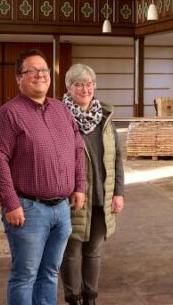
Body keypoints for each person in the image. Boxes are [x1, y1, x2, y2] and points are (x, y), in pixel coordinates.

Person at [0, 49, 87, 305]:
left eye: (44, 70)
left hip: (62, 208)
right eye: (33, 71)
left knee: (50, 273)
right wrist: (10, 203)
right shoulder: (8, 115)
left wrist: (79, 187)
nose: (40, 75)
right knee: (25, 275)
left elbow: (77, 150)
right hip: (28, 209)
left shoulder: (61, 110)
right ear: (19, 78)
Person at [59, 64, 125, 305]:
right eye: (79, 84)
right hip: (74, 196)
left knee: (94, 250)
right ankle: (73, 297)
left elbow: (117, 158)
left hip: (102, 195)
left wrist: (118, 192)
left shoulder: (105, 118)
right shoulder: (59, 116)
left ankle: (90, 297)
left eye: (89, 84)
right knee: (72, 250)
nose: (85, 89)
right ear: (68, 87)